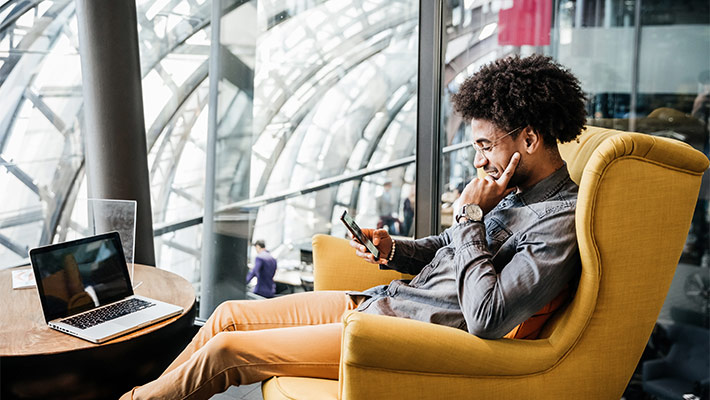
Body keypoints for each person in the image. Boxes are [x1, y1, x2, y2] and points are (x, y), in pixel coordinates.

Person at [120, 54, 587, 400]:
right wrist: (393, 251)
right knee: (226, 315)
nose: (478, 160)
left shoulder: (557, 223)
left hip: (398, 334)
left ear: (529, 138)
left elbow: (487, 316)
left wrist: (469, 216)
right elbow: (450, 247)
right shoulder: (514, 194)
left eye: (485, 145)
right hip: (382, 303)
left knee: (228, 352)